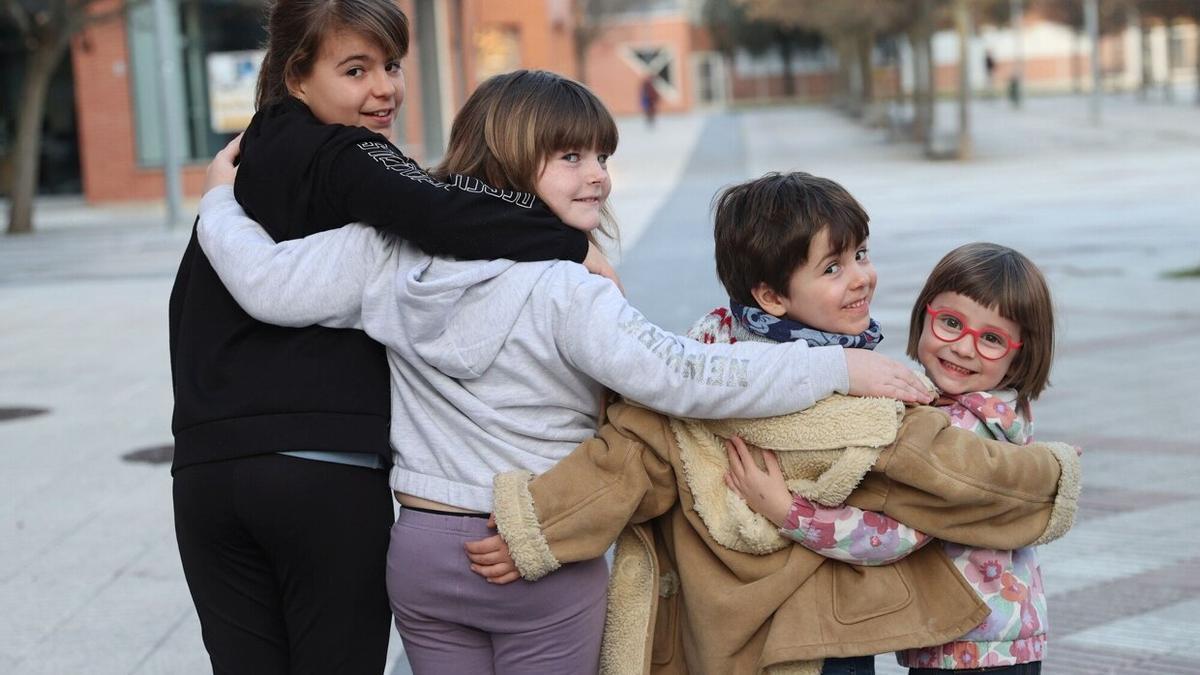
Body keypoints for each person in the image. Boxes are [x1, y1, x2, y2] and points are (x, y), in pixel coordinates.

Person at [193, 70, 933, 674]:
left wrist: (219, 202)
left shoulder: (387, 251)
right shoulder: (566, 289)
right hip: (537, 544)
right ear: (512, 158)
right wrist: (836, 365)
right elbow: (685, 375)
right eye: (572, 157)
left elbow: (266, 284)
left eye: (603, 157)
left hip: (420, 548)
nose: (600, 178)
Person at [473, 173, 1081, 674]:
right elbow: (627, 459)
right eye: (833, 267)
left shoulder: (854, 376)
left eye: (861, 255)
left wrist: (539, 528)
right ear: (770, 297)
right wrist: (538, 529)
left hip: (831, 631)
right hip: (789, 631)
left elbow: (942, 489)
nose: (861, 277)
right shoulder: (707, 382)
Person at [168, 2, 615, 672]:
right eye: (356, 69)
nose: (385, 88)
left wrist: (215, 201)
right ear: (297, 76)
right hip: (321, 475)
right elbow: (439, 214)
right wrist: (568, 244)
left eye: (393, 65)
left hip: (205, 478)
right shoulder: (346, 153)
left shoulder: (242, 169)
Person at [725, 240, 1061, 674]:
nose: (963, 347)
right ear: (924, 316)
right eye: (951, 323)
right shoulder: (971, 407)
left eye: (992, 339)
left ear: (1021, 356)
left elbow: (895, 534)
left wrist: (789, 512)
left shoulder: (965, 433)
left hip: (976, 646)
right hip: (988, 638)